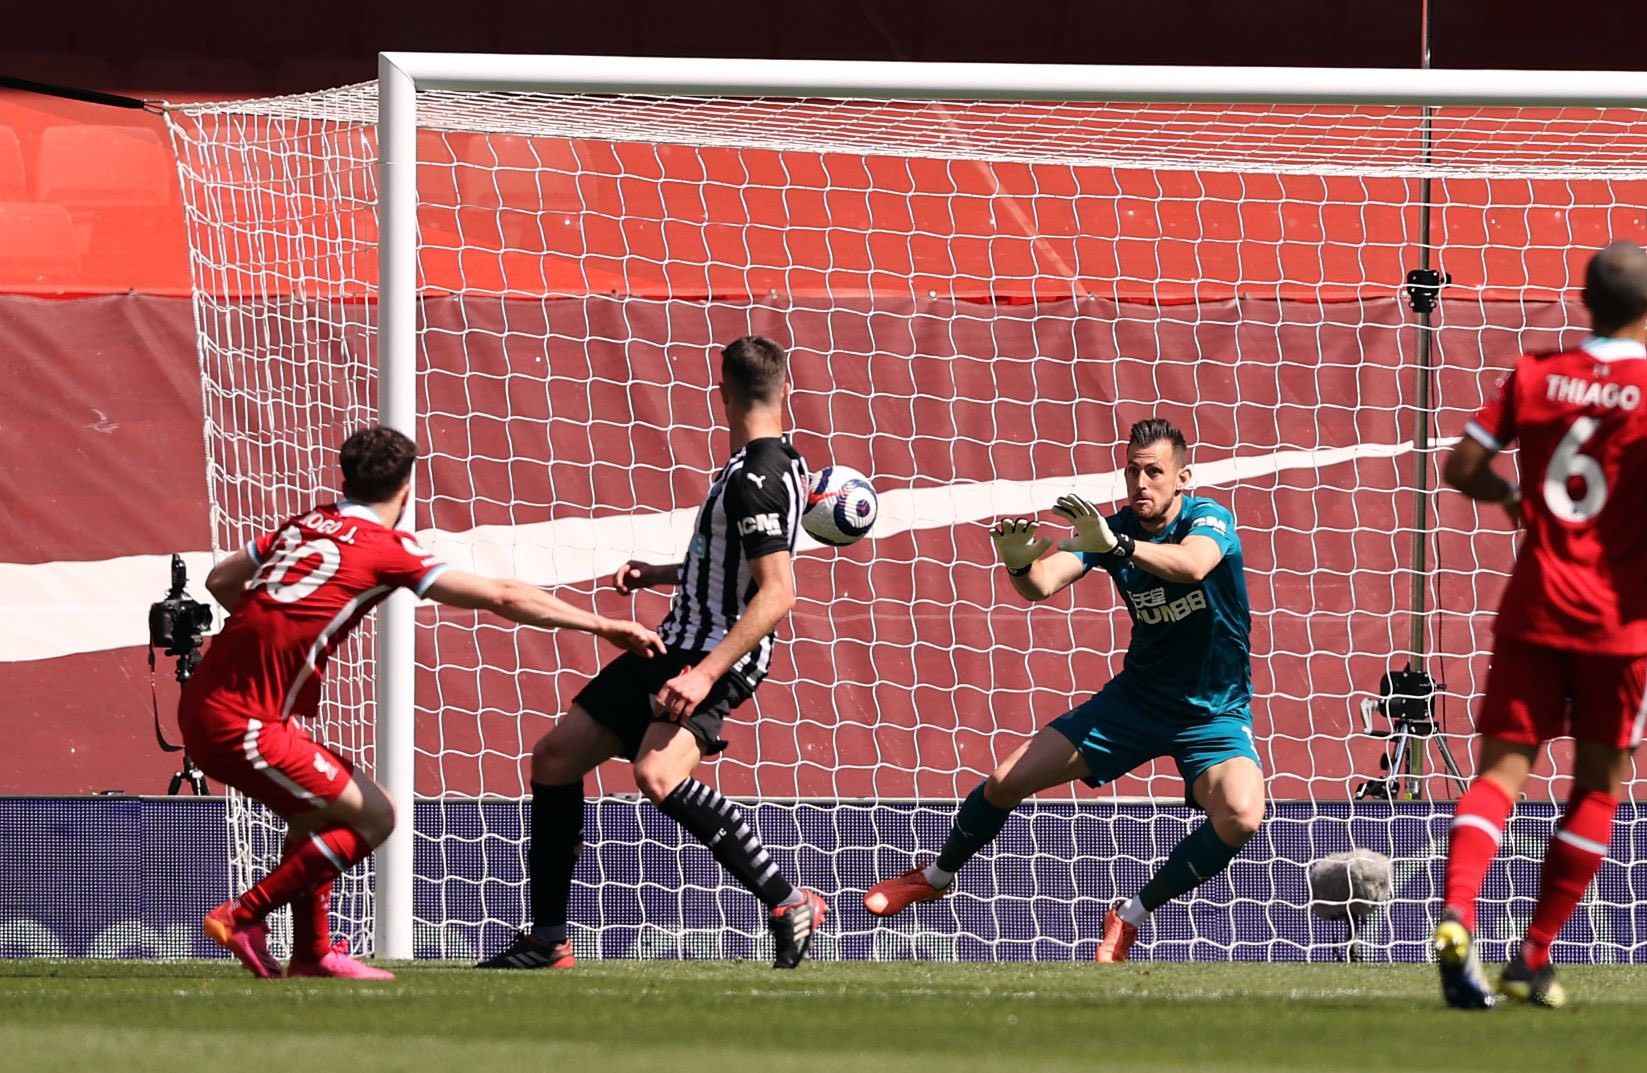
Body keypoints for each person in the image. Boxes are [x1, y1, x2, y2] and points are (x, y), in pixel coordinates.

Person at [186, 425, 664, 980]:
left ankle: (313, 953)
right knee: (377, 816)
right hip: (243, 722)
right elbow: (503, 596)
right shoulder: (386, 550)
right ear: (408, 487)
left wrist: (266, 637)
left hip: (213, 702)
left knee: (316, 815)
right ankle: (244, 915)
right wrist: (604, 624)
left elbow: (221, 580)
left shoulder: (304, 525)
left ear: (345, 478)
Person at [477, 335, 824, 971]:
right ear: (786, 391)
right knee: (555, 759)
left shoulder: (757, 480)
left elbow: (778, 594)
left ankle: (786, 898)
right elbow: (730, 565)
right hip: (677, 640)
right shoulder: (782, 466)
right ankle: (548, 937)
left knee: (658, 775)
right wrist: (659, 572)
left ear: (719, 393)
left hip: (714, 652)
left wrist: (705, 675)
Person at [1434, 241, 1647, 1009]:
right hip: (1617, 623)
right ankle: (1532, 955)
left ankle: (1459, 911)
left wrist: (1511, 499)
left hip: (1533, 605)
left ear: (1584, 301)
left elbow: (1460, 465)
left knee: (1499, 774)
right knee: (1598, 784)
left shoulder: (1535, 375)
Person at [863, 418, 1263, 962]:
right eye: (1132, 471)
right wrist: (1019, 563)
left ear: (1183, 477)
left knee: (1242, 814)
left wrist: (1117, 547)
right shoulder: (1113, 529)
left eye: (1154, 472)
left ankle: (1129, 916)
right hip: (1137, 702)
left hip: (1212, 714)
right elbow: (1041, 585)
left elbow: (1193, 567)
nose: (1140, 483)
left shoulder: (1208, 519)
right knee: (1006, 781)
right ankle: (934, 876)